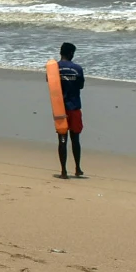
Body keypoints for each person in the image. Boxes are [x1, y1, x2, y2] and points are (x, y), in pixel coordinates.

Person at [55, 42, 85, 179]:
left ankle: (63, 171)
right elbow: (81, 86)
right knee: (75, 139)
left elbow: (51, 85)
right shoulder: (77, 69)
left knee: (62, 139)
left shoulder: (54, 68)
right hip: (74, 107)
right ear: (71, 53)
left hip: (59, 108)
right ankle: (77, 168)